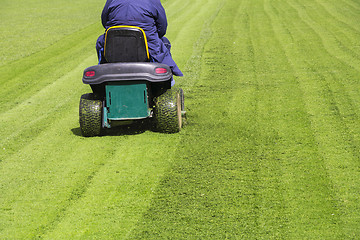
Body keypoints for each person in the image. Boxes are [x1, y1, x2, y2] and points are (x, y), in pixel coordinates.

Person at [96, 0, 183, 80]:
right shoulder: (153, 1)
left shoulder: (111, 1)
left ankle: (104, 67)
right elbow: (162, 28)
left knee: (101, 41)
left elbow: (104, 21)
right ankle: (168, 81)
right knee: (164, 42)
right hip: (146, 46)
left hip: (115, 43)